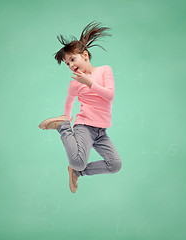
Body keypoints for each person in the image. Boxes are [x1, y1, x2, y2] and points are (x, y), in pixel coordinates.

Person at [39, 21, 122, 193]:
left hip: (101, 132)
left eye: (72, 59)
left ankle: (77, 172)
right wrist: (66, 118)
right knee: (77, 159)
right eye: (67, 64)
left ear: (85, 55)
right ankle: (62, 128)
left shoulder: (105, 70)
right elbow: (69, 101)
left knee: (115, 165)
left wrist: (89, 83)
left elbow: (109, 95)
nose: (70, 65)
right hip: (84, 126)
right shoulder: (75, 83)